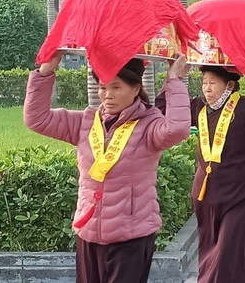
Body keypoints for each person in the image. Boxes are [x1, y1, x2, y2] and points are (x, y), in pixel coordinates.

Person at [24, 54, 192, 283]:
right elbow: (37, 119)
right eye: (103, 87)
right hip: (89, 232)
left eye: (116, 87)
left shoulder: (149, 126)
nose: (107, 95)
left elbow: (178, 130)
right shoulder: (86, 122)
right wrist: (46, 71)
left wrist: (174, 80)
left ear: (136, 89)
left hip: (131, 238)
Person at [155, 60, 245, 283]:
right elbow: (162, 113)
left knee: (230, 254)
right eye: (204, 83)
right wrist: (173, 78)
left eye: (212, 83)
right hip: (206, 195)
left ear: (229, 85)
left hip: (241, 195)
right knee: (210, 253)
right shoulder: (198, 106)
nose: (206, 88)